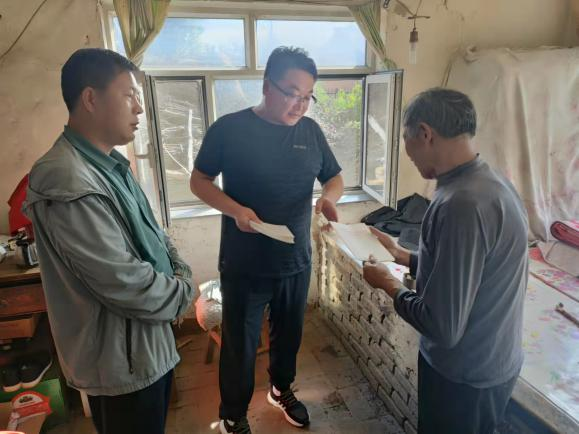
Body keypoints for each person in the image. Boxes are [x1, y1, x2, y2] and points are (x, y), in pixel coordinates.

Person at [25, 48, 198, 434]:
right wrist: (183, 293)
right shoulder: (64, 176)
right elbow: (123, 282)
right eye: (129, 95)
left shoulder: (111, 165)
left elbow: (155, 235)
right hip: (121, 362)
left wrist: (180, 273)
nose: (140, 108)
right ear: (90, 98)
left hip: (148, 346)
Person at [190, 46, 344, 434]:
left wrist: (329, 198)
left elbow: (334, 177)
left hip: (295, 261)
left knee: (288, 337)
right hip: (245, 264)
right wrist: (236, 210)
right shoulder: (230, 129)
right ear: (266, 86)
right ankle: (233, 414)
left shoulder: (310, 132)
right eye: (292, 92)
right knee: (240, 346)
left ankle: (280, 390)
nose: (300, 104)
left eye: (307, 96)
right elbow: (199, 181)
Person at [362, 88, 528, 434]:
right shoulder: (490, 182)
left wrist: (387, 283)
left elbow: (442, 326)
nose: (408, 153)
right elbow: (472, 271)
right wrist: (405, 257)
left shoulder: (461, 204)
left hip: (463, 378)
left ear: (425, 133)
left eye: (406, 141)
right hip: (492, 363)